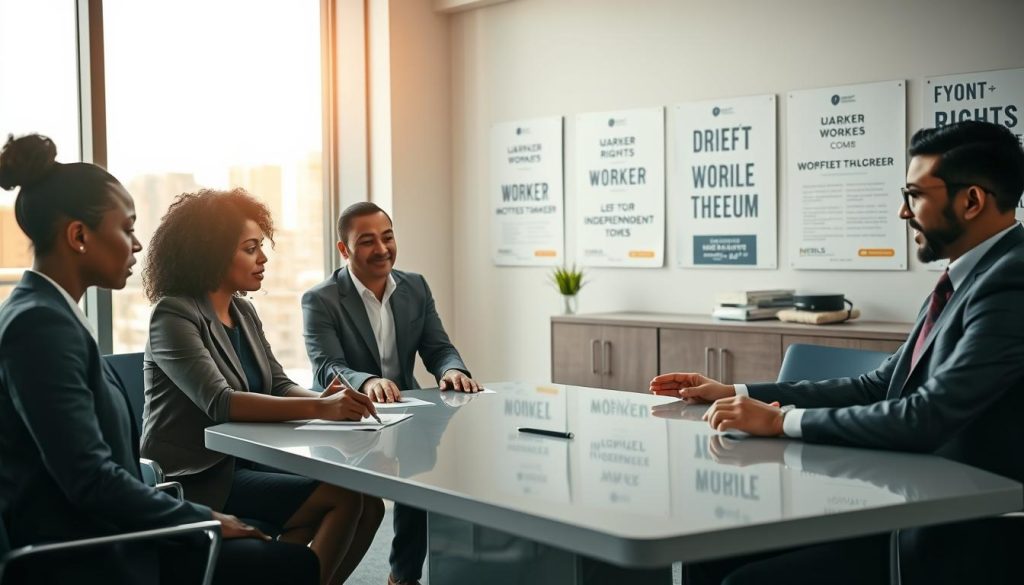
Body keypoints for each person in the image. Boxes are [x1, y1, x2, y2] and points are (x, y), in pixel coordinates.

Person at [652, 120, 1024, 585]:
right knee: (708, 553)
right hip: (904, 504)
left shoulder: (1011, 279)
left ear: (971, 200)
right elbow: (878, 385)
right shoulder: (967, 276)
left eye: (914, 194)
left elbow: (927, 415)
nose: (902, 212)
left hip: (961, 536)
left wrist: (779, 420)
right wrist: (735, 390)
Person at [0, 133, 319, 584]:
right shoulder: (40, 326)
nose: (137, 244)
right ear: (78, 236)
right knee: (290, 564)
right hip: (91, 554)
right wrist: (200, 518)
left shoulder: (49, 314)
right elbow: (91, 481)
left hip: (112, 529)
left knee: (273, 549)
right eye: (127, 228)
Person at [141, 188, 384, 585]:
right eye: (251, 248)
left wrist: (333, 401)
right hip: (198, 476)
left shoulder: (243, 311)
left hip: (247, 463)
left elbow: (279, 384)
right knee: (342, 499)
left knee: (368, 505)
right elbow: (221, 402)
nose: (263, 258)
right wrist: (322, 409)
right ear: (213, 253)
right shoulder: (173, 314)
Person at [302, 201, 479, 585]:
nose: (382, 249)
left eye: (387, 236)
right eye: (367, 241)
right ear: (344, 249)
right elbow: (326, 365)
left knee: (422, 479)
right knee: (359, 506)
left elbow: (438, 346)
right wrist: (366, 381)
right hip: (348, 417)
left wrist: (451, 369)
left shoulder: (414, 286)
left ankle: (403, 577)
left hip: (407, 409)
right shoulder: (321, 299)